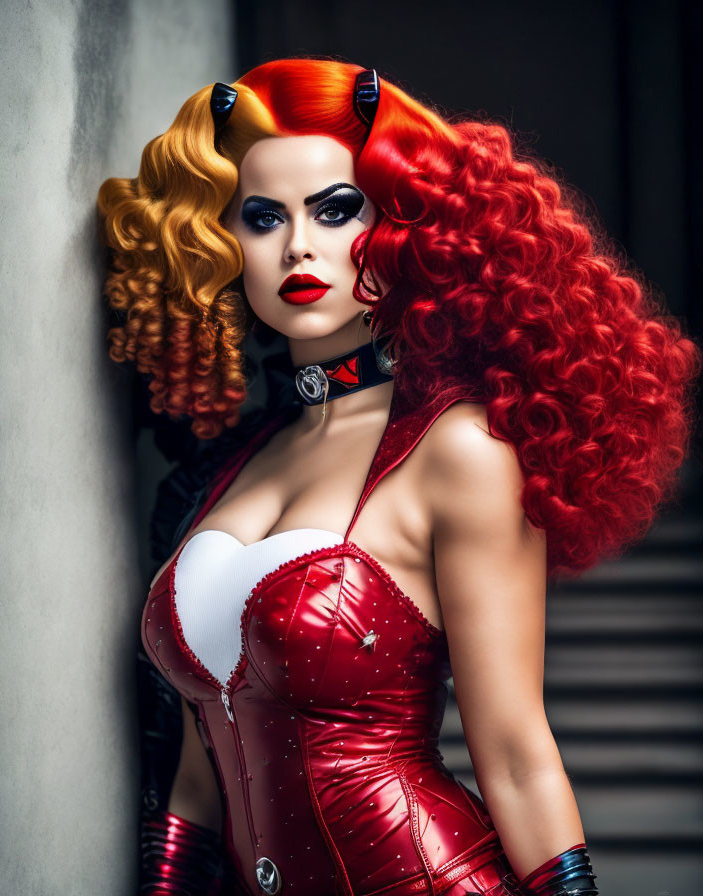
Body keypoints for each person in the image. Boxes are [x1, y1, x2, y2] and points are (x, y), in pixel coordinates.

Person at [98, 59, 700, 896]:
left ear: (401, 224)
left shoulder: (458, 451)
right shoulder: (229, 466)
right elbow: (201, 779)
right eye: (263, 217)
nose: (299, 245)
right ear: (222, 242)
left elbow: (518, 755)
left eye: (335, 210)